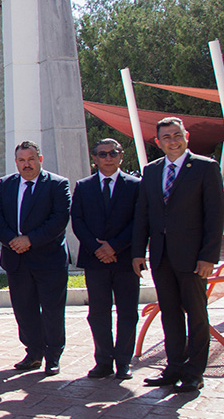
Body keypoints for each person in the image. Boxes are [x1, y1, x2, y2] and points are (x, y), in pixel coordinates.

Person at [133, 117, 224, 392]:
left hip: (194, 259)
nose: (173, 141)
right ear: (159, 143)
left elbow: (214, 216)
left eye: (177, 135)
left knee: (197, 316)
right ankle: (173, 368)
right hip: (161, 257)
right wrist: (139, 252)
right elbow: (143, 214)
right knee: (170, 314)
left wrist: (208, 257)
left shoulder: (206, 168)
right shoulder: (151, 171)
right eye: (167, 137)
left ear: (186, 136)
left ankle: (195, 372)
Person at [0, 140, 71, 376]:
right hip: (16, 259)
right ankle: (34, 352)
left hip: (49, 260)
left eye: (31, 159)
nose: (27, 164)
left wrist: (30, 240)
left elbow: (58, 220)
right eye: (22, 160)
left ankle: (53, 355)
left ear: (40, 159)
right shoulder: (6, 185)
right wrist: (12, 241)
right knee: (24, 310)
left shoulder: (57, 184)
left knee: (52, 310)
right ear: (16, 162)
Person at [71, 139, 140, 380]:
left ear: (121, 156)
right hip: (95, 259)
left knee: (128, 312)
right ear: (95, 158)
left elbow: (139, 222)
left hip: (125, 260)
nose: (108, 157)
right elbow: (77, 221)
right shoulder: (83, 186)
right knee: (98, 312)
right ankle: (103, 361)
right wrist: (97, 248)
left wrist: (115, 247)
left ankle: (123, 362)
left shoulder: (135, 185)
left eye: (113, 153)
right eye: (102, 154)